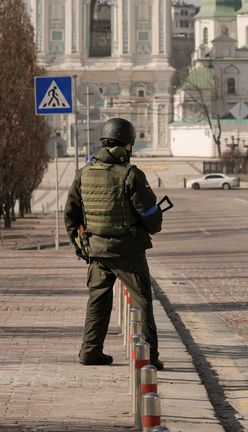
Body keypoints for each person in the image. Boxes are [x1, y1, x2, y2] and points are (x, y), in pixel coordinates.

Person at [65, 118, 165, 369]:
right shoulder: (131, 174)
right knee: (142, 301)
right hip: (128, 251)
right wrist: (149, 226)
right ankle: (148, 358)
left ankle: (90, 351)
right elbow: (151, 217)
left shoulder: (84, 173)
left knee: (97, 301)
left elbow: (71, 214)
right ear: (127, 146)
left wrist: (81, 246)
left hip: (96, 250)